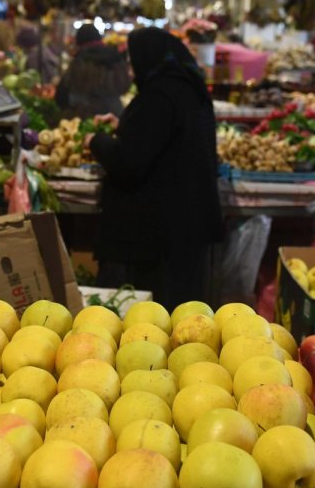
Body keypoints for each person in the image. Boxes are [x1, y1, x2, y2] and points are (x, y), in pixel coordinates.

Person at [86, 27, 223, 306]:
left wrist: (95, 141)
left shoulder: (158, 96)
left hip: (158, 237)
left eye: (133, 61)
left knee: (153, 314)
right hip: (186, 227)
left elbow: (128, 161)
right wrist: (124, 125)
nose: (131, 70)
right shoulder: (187, 88)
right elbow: (163, 139)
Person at [54, 25, 131, 118]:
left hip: (87, 117)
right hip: (115, 114)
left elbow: (62, 96)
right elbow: (126, 85)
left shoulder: (79, 60)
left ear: (79, 42)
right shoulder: (115, 56)